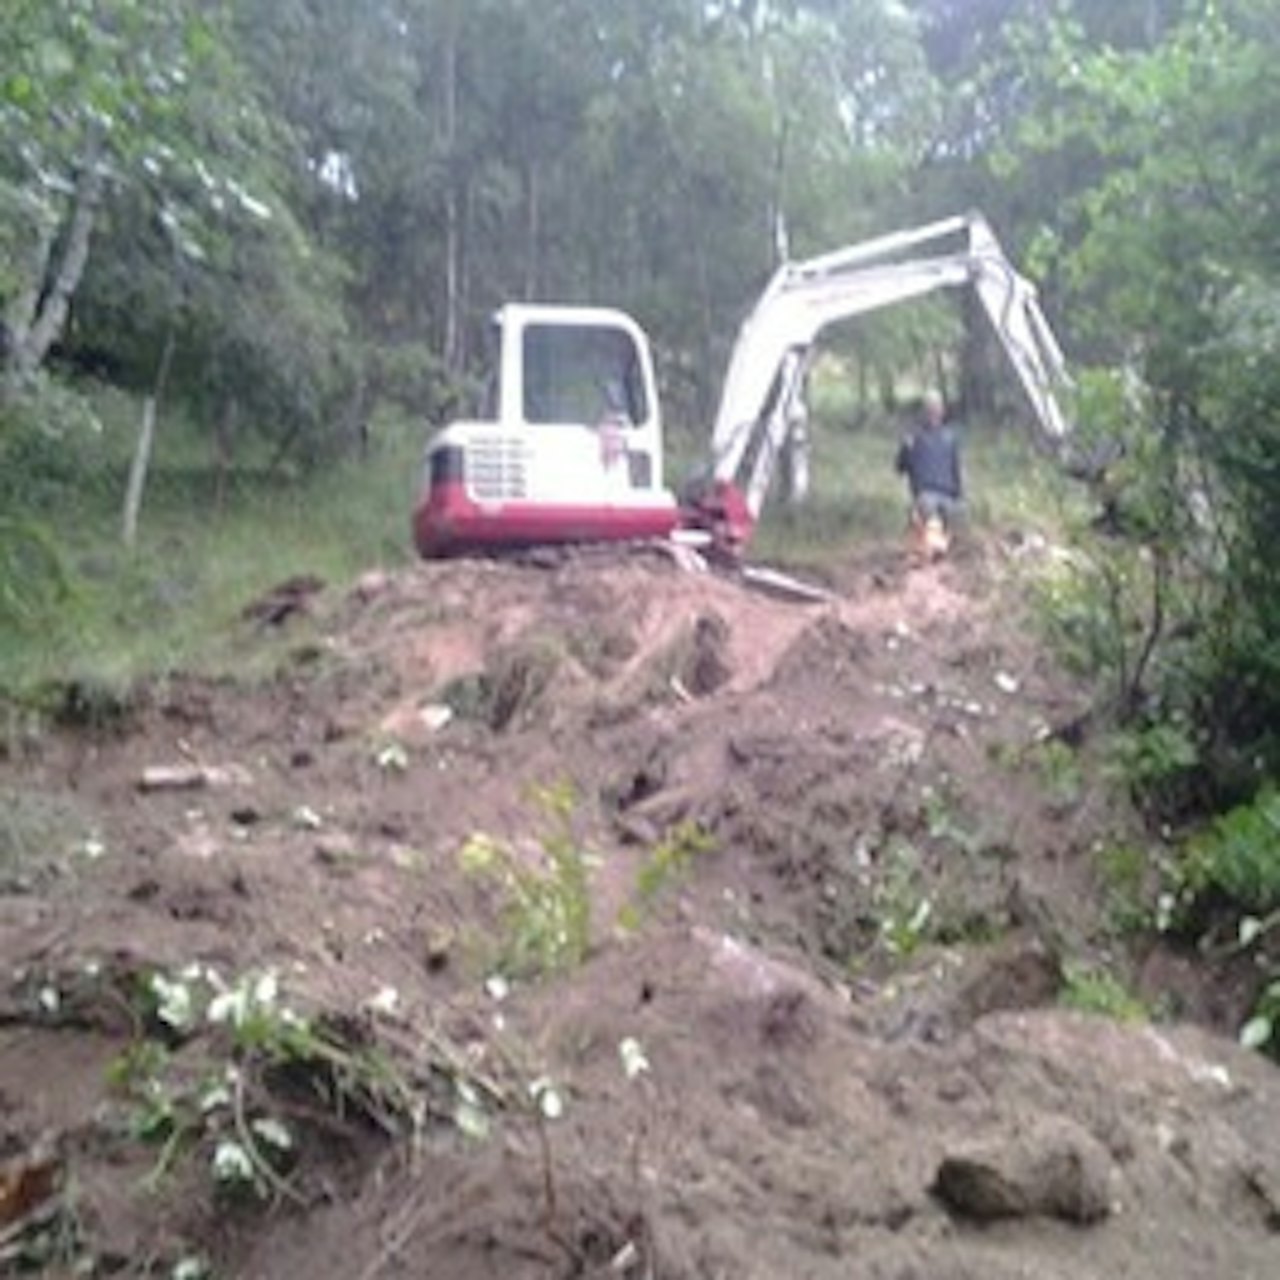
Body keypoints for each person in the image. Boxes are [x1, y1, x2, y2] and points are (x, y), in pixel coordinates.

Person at [895, 388, 963, 557]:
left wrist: (958, 495)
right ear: (923, 413)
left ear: (942, 411)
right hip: (925, 495)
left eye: (936, 409)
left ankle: (939, 545)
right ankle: (930, 546)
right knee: (928, 509)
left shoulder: (950, 438)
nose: (933, 413)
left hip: (947, 495)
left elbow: (956, 469)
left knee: (953, 514)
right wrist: (905, 449)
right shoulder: (914, 438)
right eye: (929, 409)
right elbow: (900, 468)